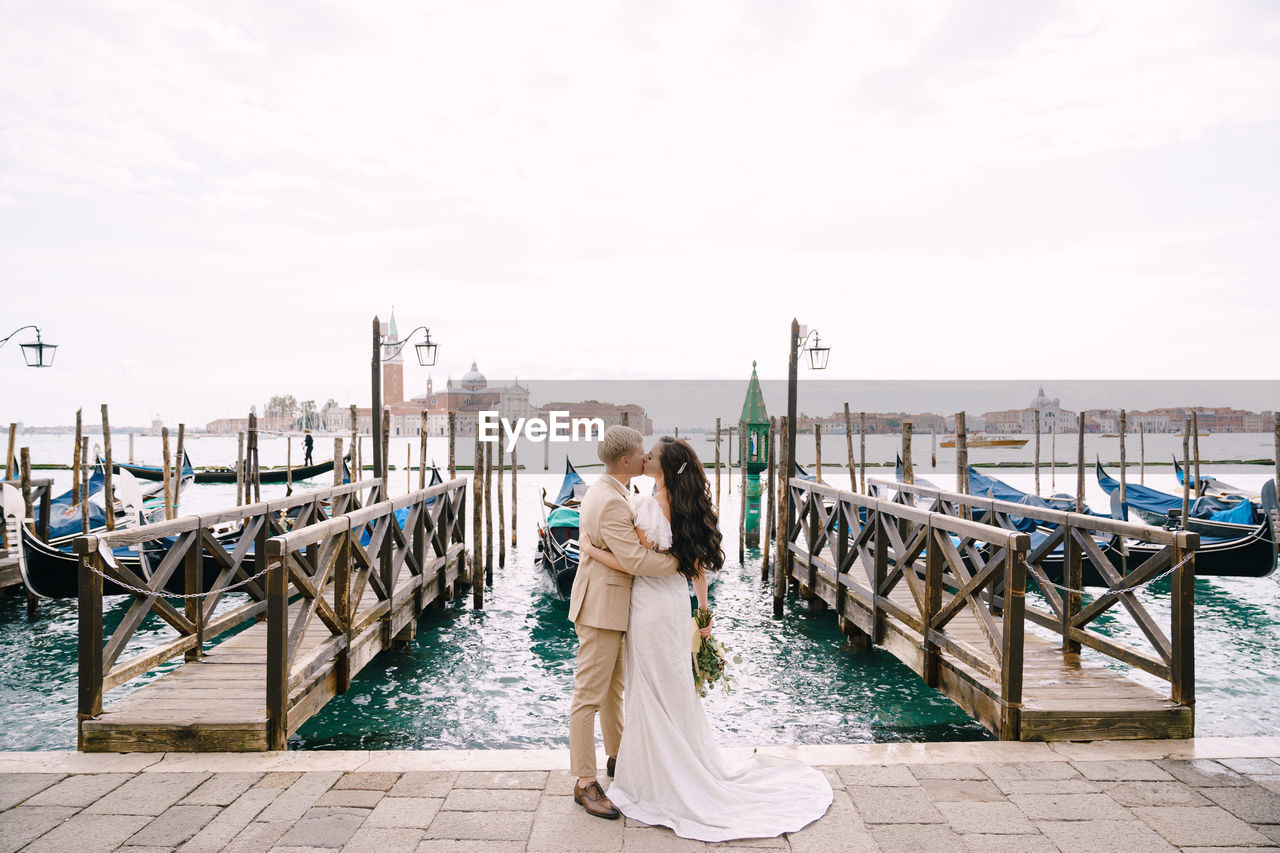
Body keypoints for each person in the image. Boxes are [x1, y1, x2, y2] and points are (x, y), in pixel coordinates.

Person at [578, 436, 832, 842]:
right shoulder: (683, 508)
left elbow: (636, 563)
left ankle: (654, 771)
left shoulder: (645, 504)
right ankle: (660, 762)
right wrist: (702, 612)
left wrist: (589, 549)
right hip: (674, 608)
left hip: (648, 609)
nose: (645, 458)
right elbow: (696, 567)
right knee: (673, 688)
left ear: (662, 468)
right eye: (643, 454)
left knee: (651, 690)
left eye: (652, 456)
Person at [568, 425, 681, 819]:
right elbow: (635, 560)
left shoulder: (613, 491)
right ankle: (584, 781)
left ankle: (617, 758)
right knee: (588, 697)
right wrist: (679, 564)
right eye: (640, 453)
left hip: (612, 605)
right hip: (601, 607)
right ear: (625, 460)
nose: (646, 457)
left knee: (612, 692)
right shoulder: (612, 500)